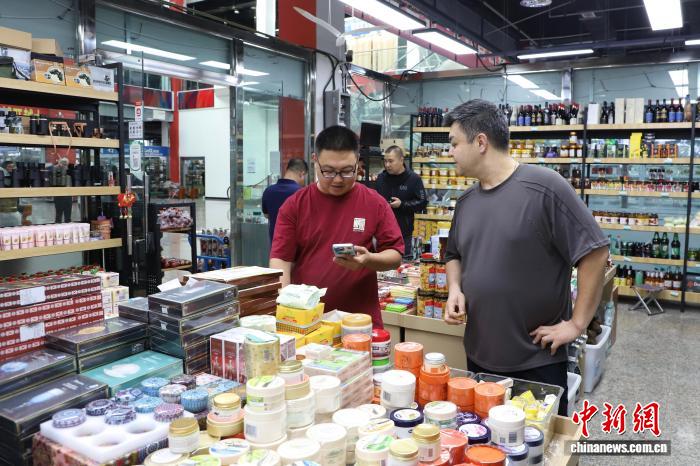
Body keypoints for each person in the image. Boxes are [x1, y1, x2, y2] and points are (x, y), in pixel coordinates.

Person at [442, 100, 609, 416]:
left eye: (454, 143)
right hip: (479, 354)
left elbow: (596, 251)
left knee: (538, 441)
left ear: (481, 142)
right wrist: (454, 289)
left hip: (536, 360)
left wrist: (577, 324)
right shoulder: (466, 202)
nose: (450, 152)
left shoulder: (545, 187)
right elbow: (453, 254)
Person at [270, 125, 404, 328]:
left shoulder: (374, 202)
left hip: (359, 323)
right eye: (329, 171)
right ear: (315, 160)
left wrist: (369, 260)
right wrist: (286, 304)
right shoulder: (295, 205)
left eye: (347, 171)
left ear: (357, 161)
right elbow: (281, 259)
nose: (338, 179)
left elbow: (395, 254)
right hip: (309, 324)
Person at [375, 145, 427, 258]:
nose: (387, 165)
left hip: (404, 234)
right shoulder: (381, 178)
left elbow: (422, 202)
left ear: (401, 160)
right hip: (383, 234)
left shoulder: (414, 179)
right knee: (383, 265)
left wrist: (402, 204)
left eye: (391, 161)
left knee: (403, 265)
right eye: (385, 161)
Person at [262, 158, 308, 243]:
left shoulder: (268, 191)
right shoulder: (302, 193)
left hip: (275, 244)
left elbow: (266, 215)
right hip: (297, 246)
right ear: (302, 174)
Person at [53, 157, 72, 223]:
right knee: (58, 216)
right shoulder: (56, 170)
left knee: (68, 216)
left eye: (66, 164)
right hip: (59, 196)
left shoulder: (69, 171)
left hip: (68, 196)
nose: (64, 165)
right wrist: (58, 166)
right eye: (63, 163)